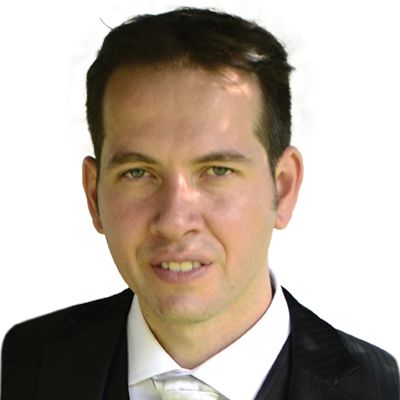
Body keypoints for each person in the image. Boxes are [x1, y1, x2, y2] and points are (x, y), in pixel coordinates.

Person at [1, 7, 398, 400]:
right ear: (94, 195)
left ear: (283, 188)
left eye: (217, 170)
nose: (174, 221)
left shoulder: (383, 389)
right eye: (138, 172)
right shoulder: (20, 367)